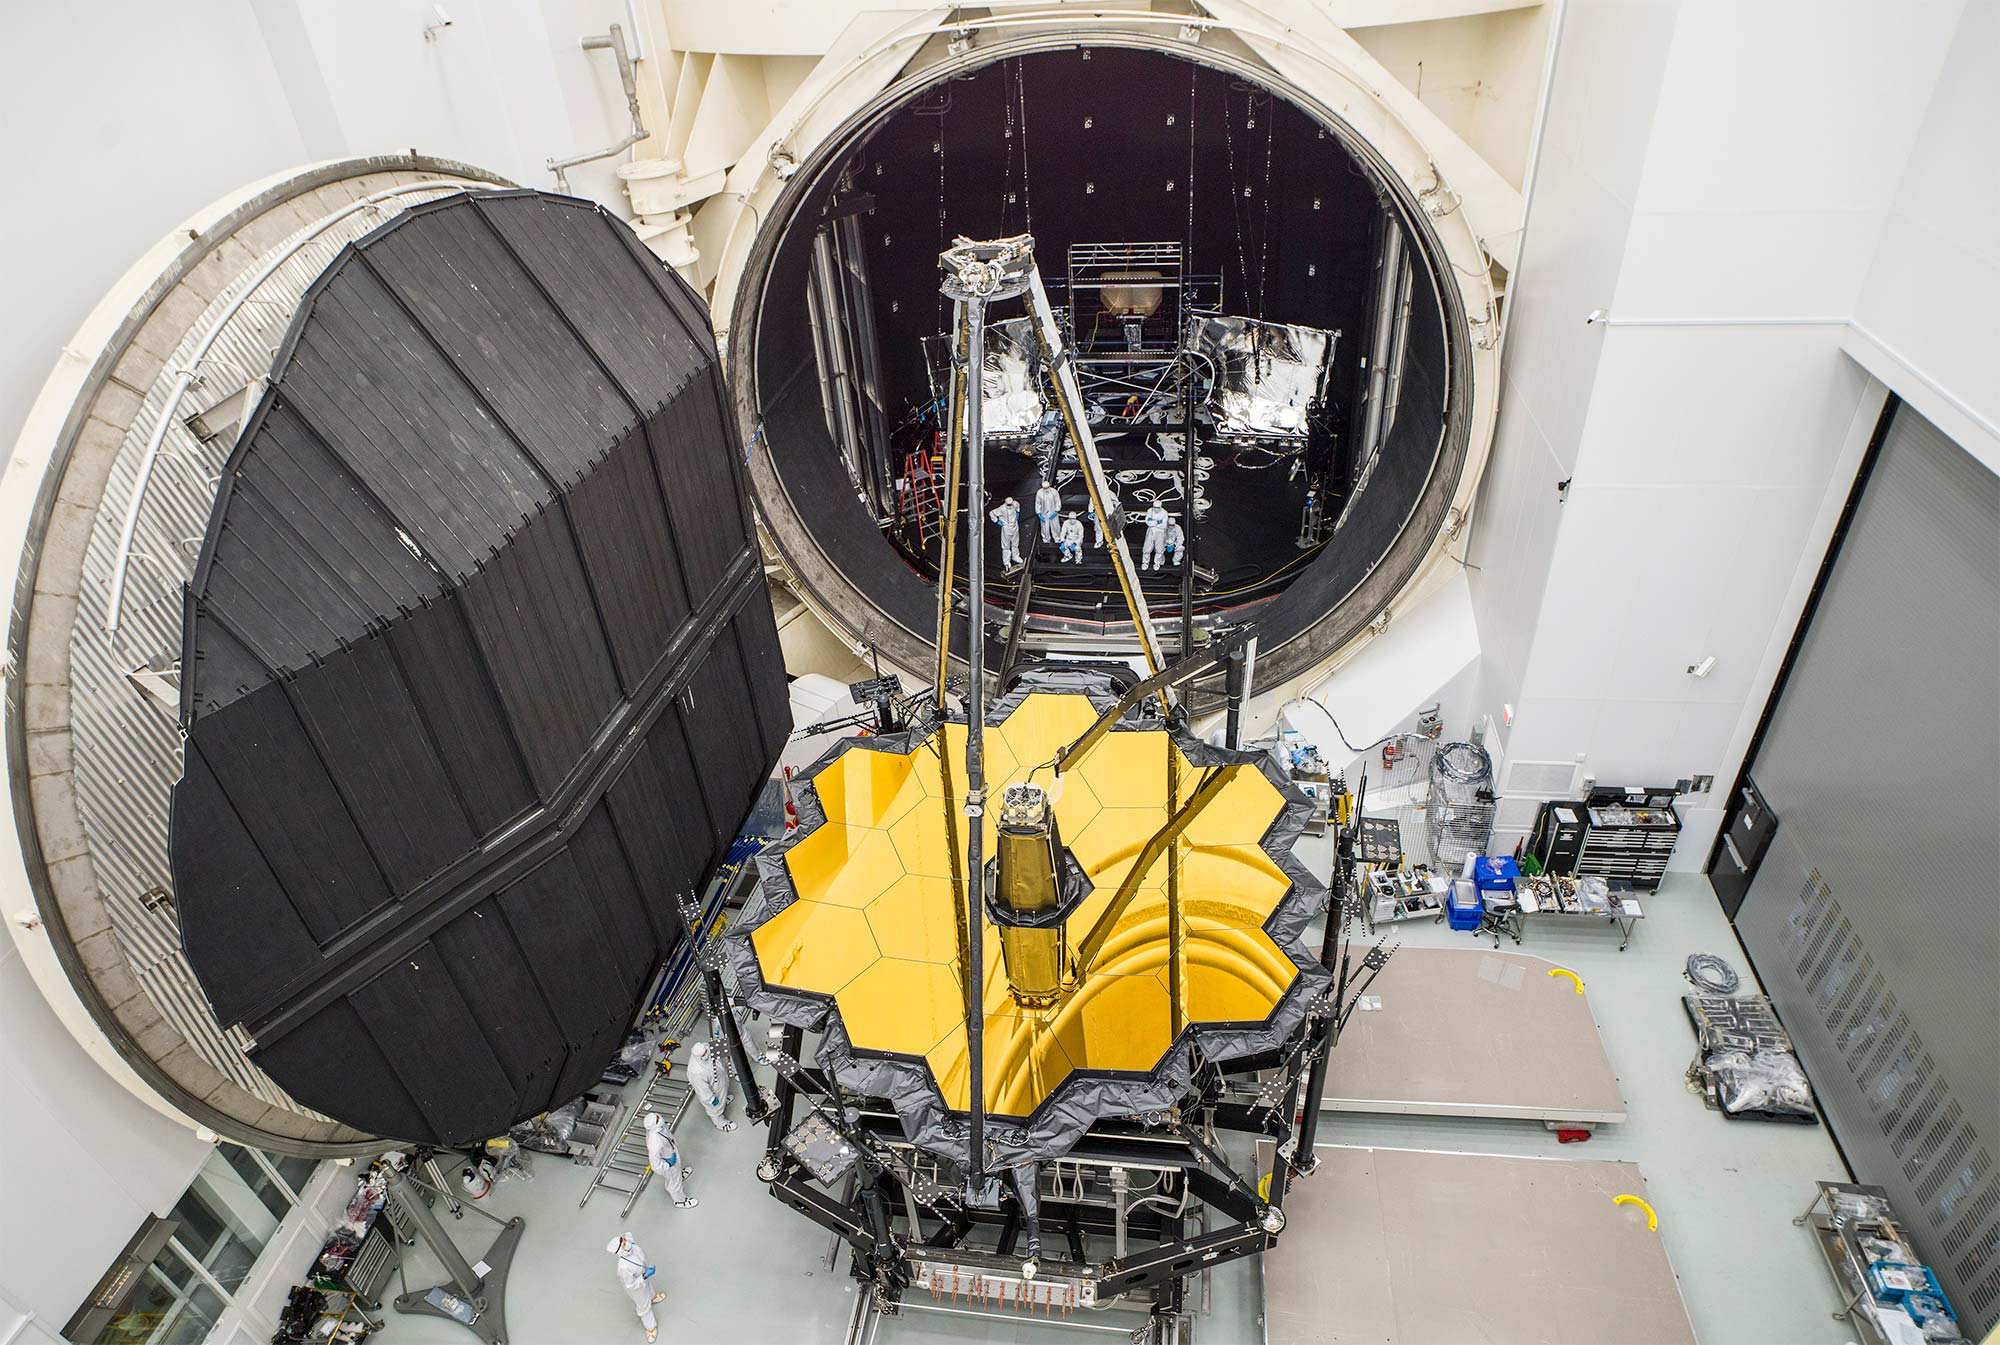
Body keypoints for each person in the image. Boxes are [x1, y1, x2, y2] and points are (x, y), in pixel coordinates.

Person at [608, 1232, 665, 1343]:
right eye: (623, 1243)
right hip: (636, 1288)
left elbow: (629, 1237)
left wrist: (646, 1275)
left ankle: (652, 1297)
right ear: (620, 1251)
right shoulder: (623, 1268)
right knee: (643, 1307)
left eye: (624, 1240)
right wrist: (645, 1275)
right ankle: (651, 1328)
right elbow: (631, 1285)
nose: (626, 1242)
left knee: (649, 1286)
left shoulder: (631, 1247)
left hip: (644, 1275)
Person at [643, 1112, 696, 1209]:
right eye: (657, 1119)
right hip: (667, 1162)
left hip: (671, 1152)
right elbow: (655, 1164)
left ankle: (679, 1174)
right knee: (673, 1182)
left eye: (657, 1116)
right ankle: (680, 1201)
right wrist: (667, 1164)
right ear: (653, 1126)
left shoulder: (659, 1127)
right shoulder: (654, 1142)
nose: (659, 1118)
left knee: (677, 1171)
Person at [688, 1040, 735, 1132]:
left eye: (706, 1051)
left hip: (719, 1077)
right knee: (715, 1109)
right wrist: (712, 1100)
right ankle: (720, 1123)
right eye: (704, 1054)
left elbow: (720, 1047)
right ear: (698, 1057)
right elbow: (702, 1090)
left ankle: (724, 1101)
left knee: (723, 1093)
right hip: (713, 1090)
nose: (706, 1053)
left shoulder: (705, 1046)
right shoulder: (695, 1072)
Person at [989, 495, 1023, 569]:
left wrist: (1017, 513)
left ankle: (1015, 556)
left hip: (1015, 527)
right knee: (1006, 546)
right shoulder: (1002, 509)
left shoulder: (1015, 504)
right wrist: (997, 521)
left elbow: (1018, 507)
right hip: (1006, 529)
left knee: (1015, 543)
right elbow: (992, 513)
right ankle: (1006, 561)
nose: (1010, 505)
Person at [1140, 502, 1171, 570]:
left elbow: (1163, 525)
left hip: (1160, 533)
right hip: (1151, 531)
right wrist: (1157, 522)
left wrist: (1153, 522)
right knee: (1147, 548)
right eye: (1155, 507)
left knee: (1159, 548)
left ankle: (1157, 563)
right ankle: (1145, 562)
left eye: (1158, 507)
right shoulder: (1150, 510)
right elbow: (1147, 521)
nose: (1156, 509)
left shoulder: (1164, 512)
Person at [1033, 478, 1062, 545]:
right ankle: (1046, 539)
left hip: (1053, 512)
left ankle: (1057, 538)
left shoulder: (1054, 492)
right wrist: (1039, 513)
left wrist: (1056, 511)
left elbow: (1058, 502)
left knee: (1055, 526)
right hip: (1044, 513)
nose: (1046, 489)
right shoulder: (1039, 493)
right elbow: (1037, 503)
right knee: (1045, 528)